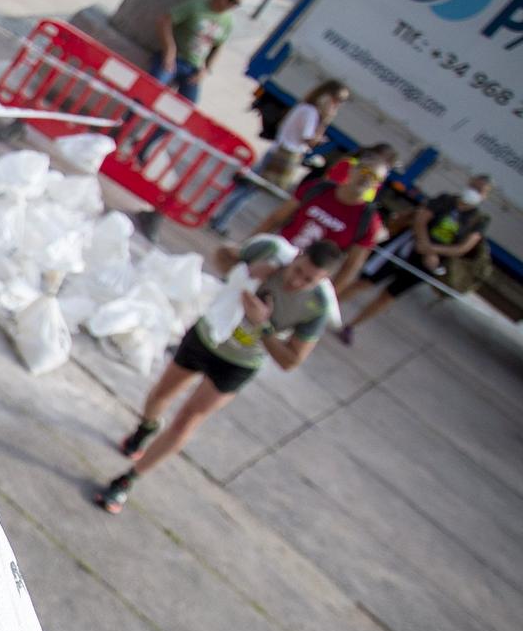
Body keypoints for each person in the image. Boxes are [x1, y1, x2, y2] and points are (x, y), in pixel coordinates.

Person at [97, 238, 342, 514]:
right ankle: (147, 427)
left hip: (239, 362)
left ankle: (128, 479)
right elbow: (220, 257)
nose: (297, 282)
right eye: (298, 271)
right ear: (297, 256)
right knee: (160, 396)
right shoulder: (272, 251)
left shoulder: (317, 307)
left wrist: (263, 326)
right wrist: (246, 266)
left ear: (323, 281)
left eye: (308, 280)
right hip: (207, 337)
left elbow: (291, 361)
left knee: (188, 419)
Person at [337, 174, 494, 344]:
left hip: (429, 263)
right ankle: (327, 307)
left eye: (480, 190)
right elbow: (421, 219)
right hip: (405, 249)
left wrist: (431, 251)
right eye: (474, 186)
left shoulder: (479, 220)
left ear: (485, 195)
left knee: (389, 295)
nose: (474, 192)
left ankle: (352, 326)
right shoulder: (446, 199)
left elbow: (463, 247)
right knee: (365, 282)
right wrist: (424, 243)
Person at [208, 80, 348, 233]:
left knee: (247, 186)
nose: (336, 105)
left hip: (279, 151)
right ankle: (219, 219)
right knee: (249, 189)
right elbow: (309, 139)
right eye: (336, 100)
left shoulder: (305, 108)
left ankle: (216, 214)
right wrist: (325, 121)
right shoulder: (311, 112)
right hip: (283, 154)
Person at [252, 145, 394, 292]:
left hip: (302, 282)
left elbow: (351, 266)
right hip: (275, 259)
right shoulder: (317, 189)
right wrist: (250, 248)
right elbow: (275, 218)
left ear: (377, 184)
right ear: (352, 169)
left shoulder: (369, 221)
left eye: (374, 176)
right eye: (364, 170)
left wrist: (330, 294)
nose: (366, 178)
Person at [151, 0, 245, 102]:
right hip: (175, 59)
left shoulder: (228, 22)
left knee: (187, 108)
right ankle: (125, 119)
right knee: (150, 88)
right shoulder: (196, 6)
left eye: (236, 4)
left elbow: (218, 47)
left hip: (194, 68)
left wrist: (206, 69)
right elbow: (164, 21)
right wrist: (169, 49)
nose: (231, 5)